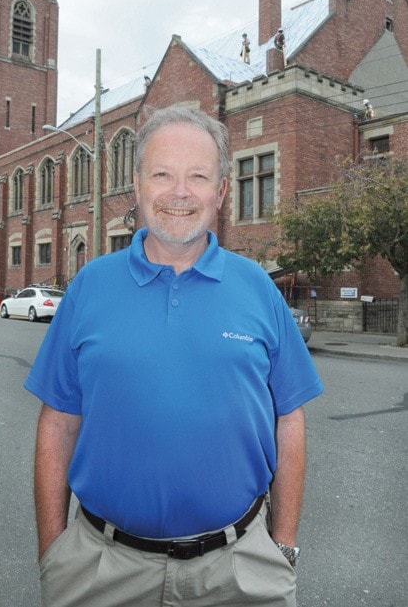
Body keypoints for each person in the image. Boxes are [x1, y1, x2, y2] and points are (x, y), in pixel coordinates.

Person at [25, 105, 323, 607]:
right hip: (100, 571)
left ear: (221, 192)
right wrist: (54, 554)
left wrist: (283, 547)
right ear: (137, 186)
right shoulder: (90, 286)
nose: (180, 192)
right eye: (162, 174)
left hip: (240, 572)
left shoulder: (259, 289)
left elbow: (289, 420)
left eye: (198, 177)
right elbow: (57, 422)